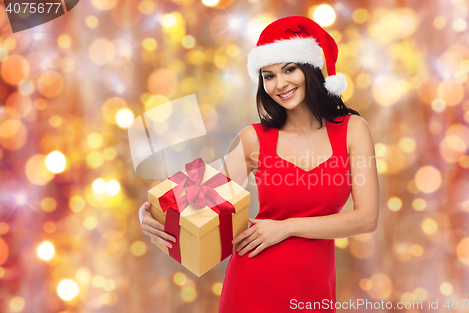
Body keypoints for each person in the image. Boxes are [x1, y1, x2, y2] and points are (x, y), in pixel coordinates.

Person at [139, 16, 380, 312]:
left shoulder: (352, 130)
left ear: (311, 69)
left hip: (313, 289)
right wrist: (152, 212)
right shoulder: (254, 138)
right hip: (251, 285)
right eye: (268, 76)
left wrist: (285, 228)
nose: (280, 84)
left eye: (289, 69)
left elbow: (367, 218)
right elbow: (200, 201)